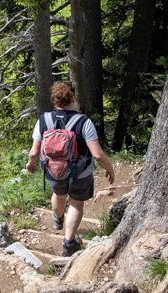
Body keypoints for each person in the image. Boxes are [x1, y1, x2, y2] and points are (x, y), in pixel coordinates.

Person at [26, 80, 116, 257]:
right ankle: (68, 243)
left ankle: (58, 219)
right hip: (80, 172)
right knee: (76, 202)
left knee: (59, 195)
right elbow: (97, 154)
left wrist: (31, 163)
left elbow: (34, 151)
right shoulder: (84, 122)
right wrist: (110, 169)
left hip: (54, 171)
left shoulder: (43, 120)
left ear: (54, 100)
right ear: (73, 98)